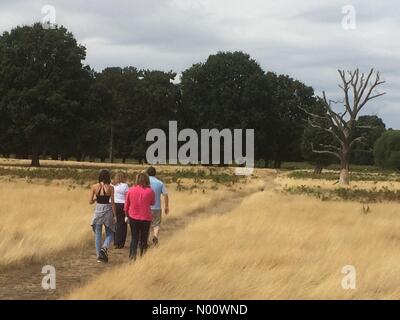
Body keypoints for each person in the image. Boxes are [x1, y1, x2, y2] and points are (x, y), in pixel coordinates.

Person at [124, 172, 155, 261]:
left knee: (134, 238)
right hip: (146, 218)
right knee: (144, 239)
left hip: (133, 217)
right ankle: (143, 258)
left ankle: (132, 258)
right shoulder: (150, 191)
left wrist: (126, 215)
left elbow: (126, 205)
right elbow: (153, 202)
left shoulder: (130, 190)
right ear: (147, 180)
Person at [89, 169, 116, 263]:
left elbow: (90, 202)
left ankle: (98, 256)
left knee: (98, 234)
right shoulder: (111, 187)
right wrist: (115, 215)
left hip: (98, 211)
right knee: (110, 232)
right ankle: (104, 248)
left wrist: (96, 199)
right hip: (108, 210)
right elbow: (112, 202)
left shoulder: (94, 187)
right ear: (108, 177)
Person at [147, 166, 169, 246]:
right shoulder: (160, 183)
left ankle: (146, 240)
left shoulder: (145, 182)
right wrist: (166, 206)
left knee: (147, 224)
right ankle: (155, 236)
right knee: (156, 224)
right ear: (155, 173)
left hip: (146, 208)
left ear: (147, 173)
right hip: (157, 207)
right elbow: (165, 195)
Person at [112, 172, 129, 249]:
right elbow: (127, 197)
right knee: (123, 224)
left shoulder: (112, 185)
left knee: (115, 223)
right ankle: (121, 243)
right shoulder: (125, 186)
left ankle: (115, 242)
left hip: (113, 204)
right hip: (122, 204)